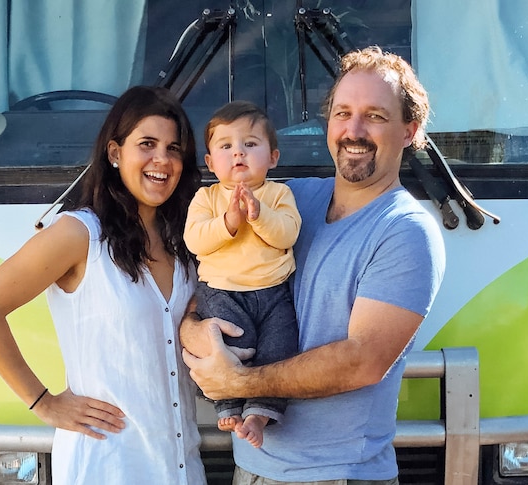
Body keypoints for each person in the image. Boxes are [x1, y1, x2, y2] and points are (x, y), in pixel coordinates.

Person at [180, 46, 446, 484]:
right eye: (343, 113)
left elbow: (362, 361)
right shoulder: (293, 197)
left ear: (409, 131)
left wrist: (239, 384)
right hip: (252, 469)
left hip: (338, 476)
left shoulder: (406, 231)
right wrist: (196, 329)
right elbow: (212, 276)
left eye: (375, 116)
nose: (353, 130)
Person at [0, 85, 206, 484]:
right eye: (147, 144)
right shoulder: (80, 234)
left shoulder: (186, 242)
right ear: (114, 153)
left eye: (174, 148)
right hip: (106, 468)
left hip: (180, 469)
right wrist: (44, 403)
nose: (162, 159)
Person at [184, 100, 301, 448]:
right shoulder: (205, 199)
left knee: (278, 350)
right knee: (235, 346)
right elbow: (195, 240)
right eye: (226, 146)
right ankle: (229, 404)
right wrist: (228, 222)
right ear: (209, 162)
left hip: (275, 292)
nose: (239, 153)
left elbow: (287, 233)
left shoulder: (279, 194)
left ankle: (260, 414)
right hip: (222, 291)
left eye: (250, 144)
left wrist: (258, 214)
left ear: (273, 157)